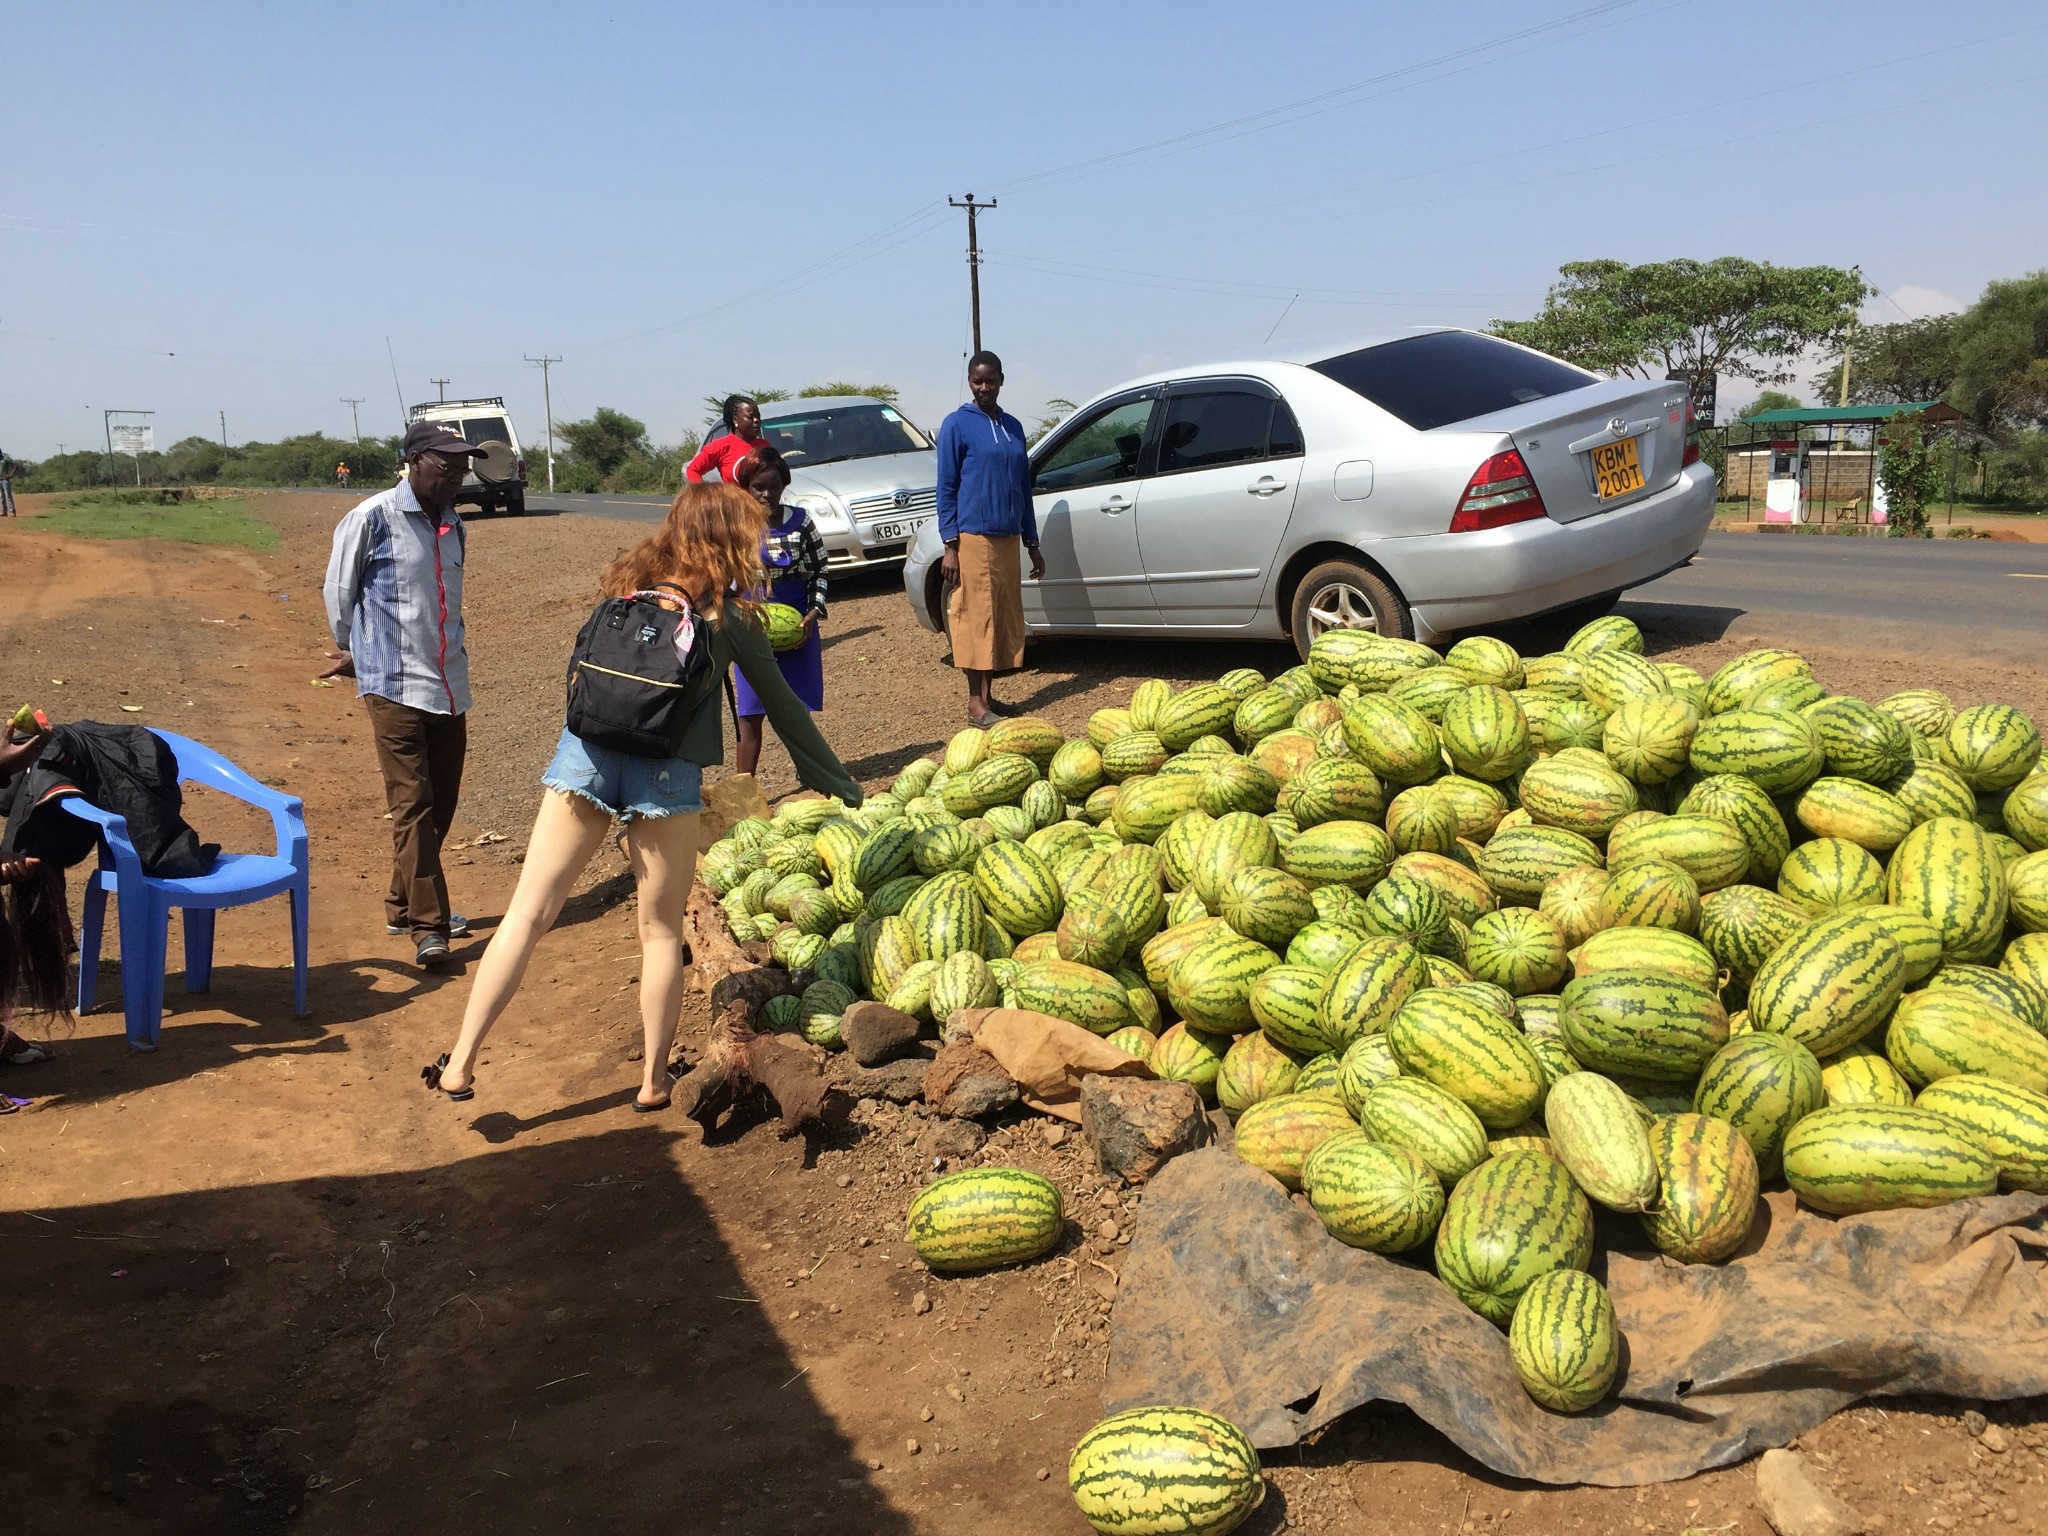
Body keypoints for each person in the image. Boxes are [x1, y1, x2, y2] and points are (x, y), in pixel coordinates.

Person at [420, 481, 862, 1111]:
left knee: (525, 916)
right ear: (734, 540)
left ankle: (460, 1063)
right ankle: (653, 1082)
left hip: (586, 760)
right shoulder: (729, 621)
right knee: (657, 932)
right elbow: (787, 715)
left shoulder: (627, 588)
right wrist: (845, 792)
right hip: (665, 776)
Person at [321, 421, 486, 968]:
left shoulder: (454, 526)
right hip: (392, 685)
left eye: (463, 467)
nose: (457, 477)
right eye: (447, 465)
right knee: (412, 806)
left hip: (448, 683)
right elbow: (339, 591)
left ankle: (399, 903)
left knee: (441, 805)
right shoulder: (372, 518)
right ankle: (428, 926)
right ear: (415, 461)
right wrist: (356, 653)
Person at [935, 350, 1044, 725]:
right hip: (974, 538)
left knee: (1001, 615)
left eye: (991, 381)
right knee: (975, 617)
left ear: (1001, 380)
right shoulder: (957, 425)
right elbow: (946, 486)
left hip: (1008, 536)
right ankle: (974, 703)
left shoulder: (1013, 426)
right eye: (977, 381)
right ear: (969, 381)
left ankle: (990, 698)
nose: (984, 388)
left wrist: (1032, 541)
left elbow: (1022, 488)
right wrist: (950, 544)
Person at [730, 446, 827, 777]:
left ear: (784, 485)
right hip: (751, 630)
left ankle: (812, 773)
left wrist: (813, 615)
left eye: (773, 486)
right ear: (747, 487)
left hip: (798, 623)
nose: (766, 494)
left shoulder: (801, 523)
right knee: (750, 714)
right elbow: (724, 581)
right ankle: (745, 785)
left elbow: (819, 573)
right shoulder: (736, 528)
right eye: (758, 487)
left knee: (797, 711)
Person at [686, 395, 768, 484]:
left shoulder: (765, 447)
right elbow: (693, 470)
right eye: (750, 417)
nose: (756, 420)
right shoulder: (721, 446)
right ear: (735, 420)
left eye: (758, 416)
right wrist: (706, 495)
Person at [0, 451, 18, 516]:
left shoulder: (5, 458)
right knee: (1, 496)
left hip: (5, 480)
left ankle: (12, 511)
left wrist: (10, 475)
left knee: (8, 495)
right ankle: (4, 511)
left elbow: (15, 465)